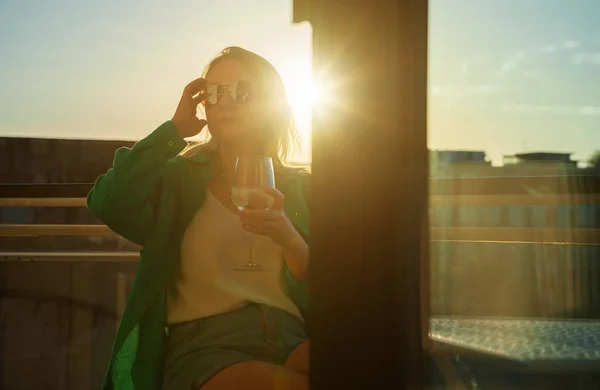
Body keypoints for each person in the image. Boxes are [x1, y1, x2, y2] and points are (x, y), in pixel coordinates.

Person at [88, 46, 311, 390]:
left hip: (291, 335)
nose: (227, 100)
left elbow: (335, 283)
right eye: (214, 92)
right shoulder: (180, 179)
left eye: (242, 90)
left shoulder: (300, 187)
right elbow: (109, 201)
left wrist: (291, 238)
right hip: (206, 344)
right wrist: (174, 130)